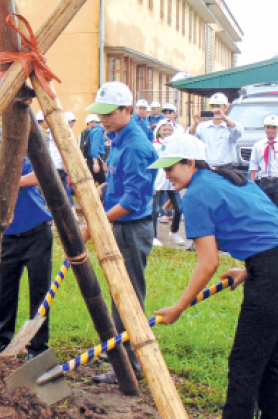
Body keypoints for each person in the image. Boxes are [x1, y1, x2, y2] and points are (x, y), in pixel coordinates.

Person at [150, 133, 278, 419]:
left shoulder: (196, 193)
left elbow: (207, 262)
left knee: (244, 364)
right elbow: (268, 227)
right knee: (267, 359)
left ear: (191, 163)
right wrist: (251, 267)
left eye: (171, 167)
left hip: (274, 277)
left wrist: (179, 306)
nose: (167, 175)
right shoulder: (231, 178)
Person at [81, 81, 156, 383]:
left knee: (129, 296)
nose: (102, 119)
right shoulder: (118, 137)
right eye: (99, 113)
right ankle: (120, 354)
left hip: (131, 229)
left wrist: (95, 225)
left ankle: (131, 364)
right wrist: (103, 188)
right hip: (119, 225)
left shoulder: (137, 146)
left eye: (108, 113)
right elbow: (120, 183)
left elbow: (133, 200)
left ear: (127, 109)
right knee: (118, 292)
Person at [0, 141, 54, 358]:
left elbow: (43, 175)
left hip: (36, 234)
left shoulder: (13, 164)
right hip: (5, 240)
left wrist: (11, 182)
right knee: (4, 291)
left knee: (39, 294)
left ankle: (37, 347)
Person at [248, 115, 278, 214]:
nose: (271, 130)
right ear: (264, 128)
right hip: (264, 182)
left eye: (274, 128)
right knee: (264, 211)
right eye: (268, 127)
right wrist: (252, 182)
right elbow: (253, 165)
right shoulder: (258, 145)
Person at [151, 120, 184, 246]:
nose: (167, 132)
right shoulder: (155, 146)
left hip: (172, 180)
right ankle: (153, 236)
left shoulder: (175, 145)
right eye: (164, 130)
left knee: (179, 208)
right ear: (159, 131)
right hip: (159, 180)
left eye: (170, 130)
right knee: (156, 210)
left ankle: (174, 232)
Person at [190, 93, 244, 167]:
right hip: (207, 168)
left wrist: (224, 118)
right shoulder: (202, 126)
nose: (215, 110)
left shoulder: (230, 126)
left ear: (226, 107)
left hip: (226, 168)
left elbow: (238, 132)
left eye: (218, 106)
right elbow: (190, 137)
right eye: (212, 106)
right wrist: (195, 123)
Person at [80, 113, 107, 185]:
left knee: (93, 181)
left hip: (93, 158)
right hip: (96, 159)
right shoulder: (98, 131)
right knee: (103, 183)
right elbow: (95, 147)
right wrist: (96, 163)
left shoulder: (93, 131)